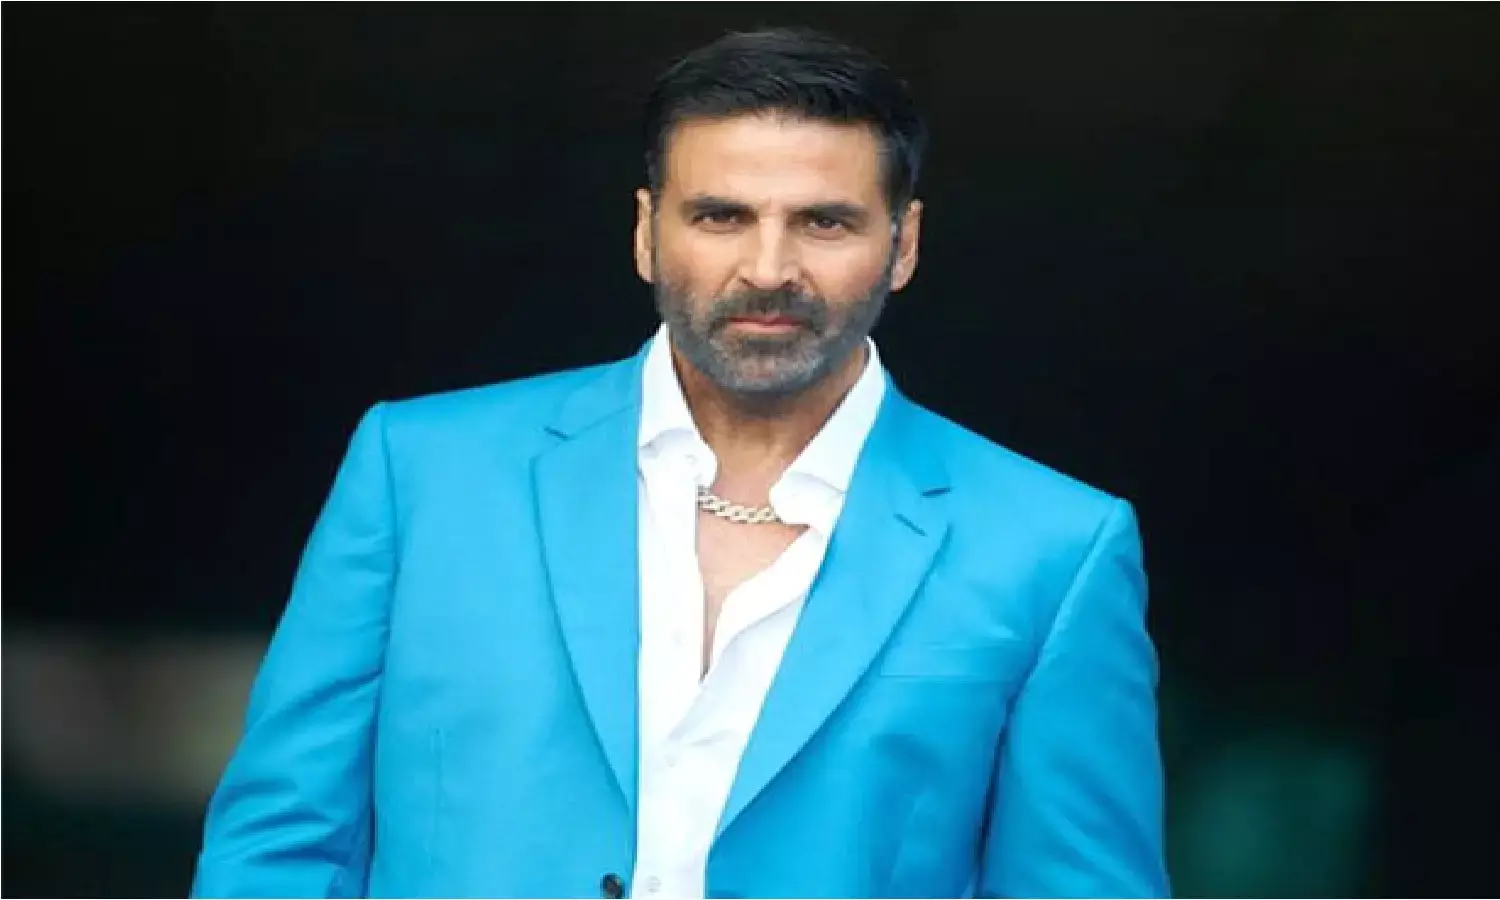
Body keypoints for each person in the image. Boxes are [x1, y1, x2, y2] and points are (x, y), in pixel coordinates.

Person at [191, 26, 1170, 900]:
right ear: (646, 232)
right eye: (720, 216)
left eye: (824, 221)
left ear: (903, 243)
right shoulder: (424, 473)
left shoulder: (1053, 547)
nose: (769, 269)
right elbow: (280, 845)